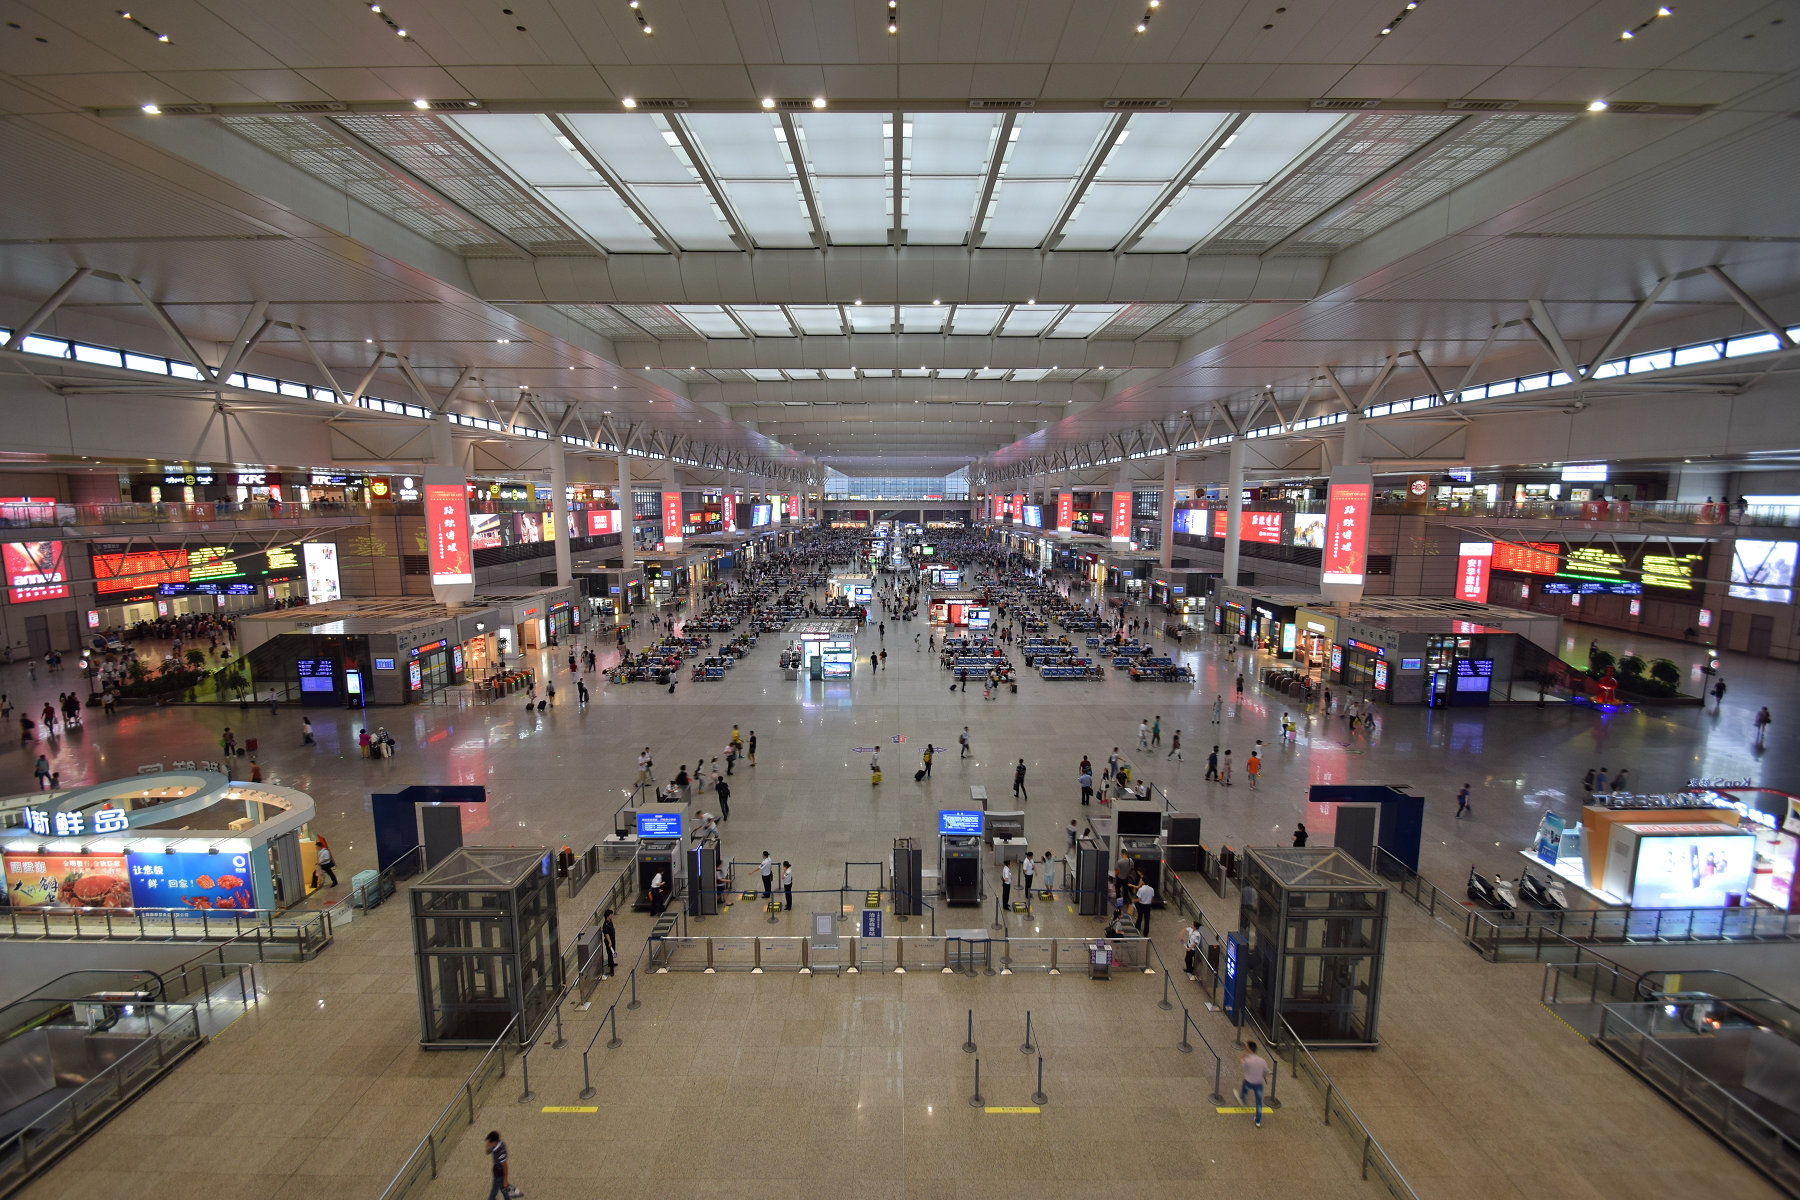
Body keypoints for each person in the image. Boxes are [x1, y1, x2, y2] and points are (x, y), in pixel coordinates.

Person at [1239, 1043, 1270, 1127]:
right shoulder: (1262, 1060)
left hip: (1249, 1081)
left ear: (1249, 1050)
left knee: (1244, 1087)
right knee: (1258, 1102)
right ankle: (1258, 1121)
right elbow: (1266, 1071)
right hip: (1258, 1083)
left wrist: (1243, 1055)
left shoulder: (1248, 1060)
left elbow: (1243, 1064)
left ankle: (1243, 1098)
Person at [484, 1131, 512, 1200]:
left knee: (494, 1192)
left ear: (494, 1142)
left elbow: (505, 1166)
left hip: (499, 1174)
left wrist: (505, 1180)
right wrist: (488, 1147)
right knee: (503, 1189)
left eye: (490, 1142)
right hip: (496, 1170)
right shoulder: (498, 1143)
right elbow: (487, 1152)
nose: (488, 1143)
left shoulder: (500, 1152)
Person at [600, 908, 618, 977]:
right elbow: (606, 934)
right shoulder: (605, 925)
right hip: (609, 941)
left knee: (613, 952)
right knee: (610, 954)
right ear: (608, 916)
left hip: (612, 939)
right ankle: (611, 970)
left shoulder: (610, 921)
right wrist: (610, 942)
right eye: (611, 914)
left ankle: (612, 963)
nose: (612, 915)